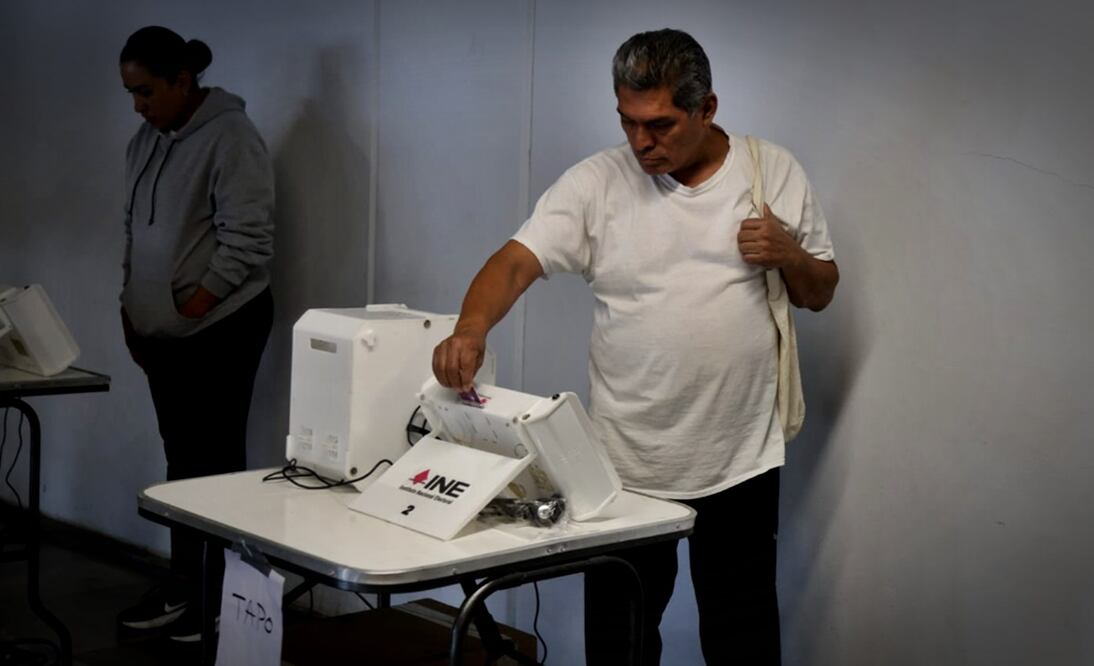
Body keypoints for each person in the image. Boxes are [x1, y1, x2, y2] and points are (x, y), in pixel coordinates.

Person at [433, 28, 838, 665]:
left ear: (707, 110)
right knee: (620, 641)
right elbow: (516, 262)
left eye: (661, 124)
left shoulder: (771, 171)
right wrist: (471, 327)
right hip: (625, 463)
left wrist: (789, 254)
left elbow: (820, 292)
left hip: (741, 456)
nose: (641, 142)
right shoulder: (597, 183)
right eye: (627, 121)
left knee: (743, 635)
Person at [115, 26, 275, 643]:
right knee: (182, 461)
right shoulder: (143, 142)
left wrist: (187, 309)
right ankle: (188, 588)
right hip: (163, 333)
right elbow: (132, 233)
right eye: (130, 93)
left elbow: (249, 239)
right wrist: (130, 308)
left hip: (220, 328)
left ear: (183, 81)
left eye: (146, 91)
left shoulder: (232, 137)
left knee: (212, 465)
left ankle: (216, 601)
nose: (137, 105)